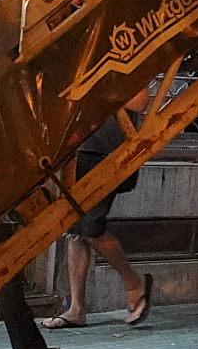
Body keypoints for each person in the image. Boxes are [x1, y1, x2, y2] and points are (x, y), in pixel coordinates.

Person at [43, 112, 153, 328]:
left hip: (108, 150)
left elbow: (139, 101)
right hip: (76, 147)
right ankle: (76, 309)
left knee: (91, 227)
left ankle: (133, 282)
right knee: (75, 229)